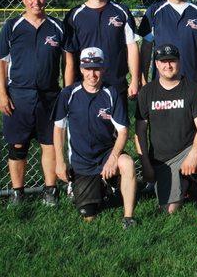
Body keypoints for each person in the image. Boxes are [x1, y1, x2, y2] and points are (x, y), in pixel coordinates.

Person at [0, 0, 64, 206]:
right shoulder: (12, 25)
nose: (36, 0)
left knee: (50, 144)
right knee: (17, 146)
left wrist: (67, 92)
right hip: (19, 95)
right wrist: (2, 94)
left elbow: (68, 61)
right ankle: (17, 193)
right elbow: (1, 63)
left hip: (50, 96)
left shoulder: (56, 26)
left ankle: (50, 190)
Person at [53, 48, 137, 229]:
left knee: (127, 163)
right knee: (88, 215)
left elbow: (123, 131)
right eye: (88, 68)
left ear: (104, 69)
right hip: (82, 162)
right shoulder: (68, 94)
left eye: (97, 69)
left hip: (106, 155)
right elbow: (58, 129)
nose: (92, 74)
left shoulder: (111, 93)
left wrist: (113, 158)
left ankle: (128, 217)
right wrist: (60, 161)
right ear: (81, 69)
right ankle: (99, 187)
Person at [135, 43, 197, 225]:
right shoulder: (147, 92)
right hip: (162, 160)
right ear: (156, 64)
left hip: (188, 149)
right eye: (163, 61)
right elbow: (140, 131)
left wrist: (193, 154)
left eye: (172, 61)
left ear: (179, 62)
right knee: (170, 211)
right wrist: (146, 163)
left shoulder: (192, 89)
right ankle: (188, 184)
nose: (168, 65)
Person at [63, 0, 140, 108]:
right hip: (86, 85)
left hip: (116, 84)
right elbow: (69, 58)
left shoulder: (121, 12)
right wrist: (68, 89)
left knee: (118, 129)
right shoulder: (74, 15)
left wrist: (135, 80)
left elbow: (132, 47)